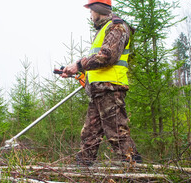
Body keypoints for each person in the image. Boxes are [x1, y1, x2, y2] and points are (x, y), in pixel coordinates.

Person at [60, 0, 142, 166]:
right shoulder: (105, 30)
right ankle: (82, 173)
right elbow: (97, 63)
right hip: (98, 92)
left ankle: (139, 174)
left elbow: (107, 56)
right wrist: (77, 71)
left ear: (98, 9)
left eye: (91, 11)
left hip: (110, 89)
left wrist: (78, 65)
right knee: (89, 136)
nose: (90, 15)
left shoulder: (117, 27)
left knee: (117, 135)